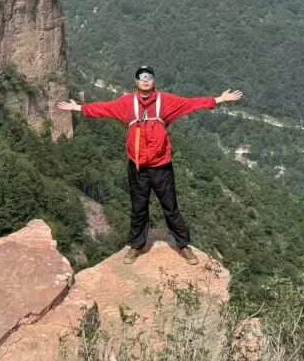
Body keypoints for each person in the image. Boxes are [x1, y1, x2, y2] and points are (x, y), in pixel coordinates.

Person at [57, 66, 243, 265]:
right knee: (139, 208)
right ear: (136, 82)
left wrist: (219, 99)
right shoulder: (127, 103)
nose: (145, 80)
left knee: (170, 207)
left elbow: (191, 104)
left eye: (149, 77)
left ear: (153, 81)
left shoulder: (165, 102)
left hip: (161, 166)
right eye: (141, 77)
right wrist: (79, 108)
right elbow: (104, 109)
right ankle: (136, 246)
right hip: (137, 167)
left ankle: (183, 245)